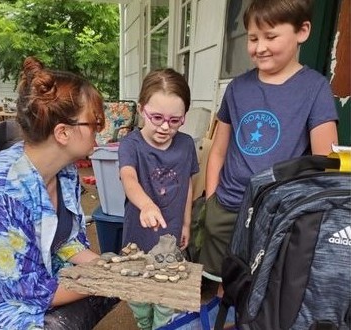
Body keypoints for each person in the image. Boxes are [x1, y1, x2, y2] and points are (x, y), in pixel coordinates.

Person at [199, 0, 339, 288]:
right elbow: (219, 151)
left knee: (263, 286)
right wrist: (212, 201)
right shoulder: (237, 88)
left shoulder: (315, 88)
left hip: (277, 212)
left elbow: (326, 166)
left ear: (302, 31)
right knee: (220, 282)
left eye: (271, 36)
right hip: (227, 206)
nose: (259, 47)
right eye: (253, 38)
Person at [0, 56, 118, 329]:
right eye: (95, 122)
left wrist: (110, 268)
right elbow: (28, 292)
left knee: (116, 281)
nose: (101, 129)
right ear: (62, 132)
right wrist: (111, 279)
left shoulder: (66, 171)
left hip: (41, 279)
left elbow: (67, 242)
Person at [118, 68, 199, 330]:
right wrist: (146, 204)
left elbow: (187, 184)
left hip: (171, 237)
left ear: (184, 117)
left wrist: (186, 223)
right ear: (142, 110)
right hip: (137, 238)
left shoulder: (186, 145)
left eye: (175, 120)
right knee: (139, 297)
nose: (165, 126)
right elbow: (128, 178)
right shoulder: (131, 144)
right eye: (157, 117)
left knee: (165, 299)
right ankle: (144, 324)